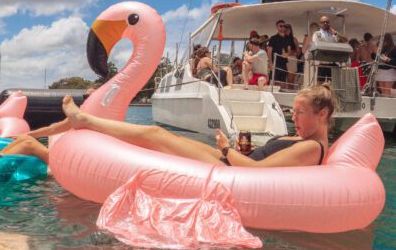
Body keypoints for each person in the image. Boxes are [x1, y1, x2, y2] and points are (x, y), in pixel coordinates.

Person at [59, 84, 333, 167]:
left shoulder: (311, 147)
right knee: (156, 136)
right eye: (292, 112)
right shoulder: (305, 140)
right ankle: (90, 124)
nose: (293, 118)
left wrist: (227, 149)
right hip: (228, 160)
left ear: (322, 114)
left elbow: (256, 171)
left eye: (300, 113)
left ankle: (85, 120)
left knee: (155, 133)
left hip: (228, 167)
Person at [267, 20, 290, 88]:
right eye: (280, 26)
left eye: (284, 26)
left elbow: (289, 50)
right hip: (275, 63)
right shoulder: (273, 38)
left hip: (284, 64)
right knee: (273, 84)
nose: (282, 27)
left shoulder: (287, 38)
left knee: (283, 84)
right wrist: (270, 64)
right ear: (277, 27)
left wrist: (287, 54)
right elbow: (269, 52)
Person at [283, 23, 300, 90]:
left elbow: (298, 52)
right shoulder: (281, 38)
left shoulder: (294, 39)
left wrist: (290, 53)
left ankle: (290, 93)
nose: (287, 30)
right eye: (285, 28)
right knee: (283, 80)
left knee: (291, 80)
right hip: (282, 60)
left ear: (290, 30)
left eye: (288, 28)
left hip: (291, 60)